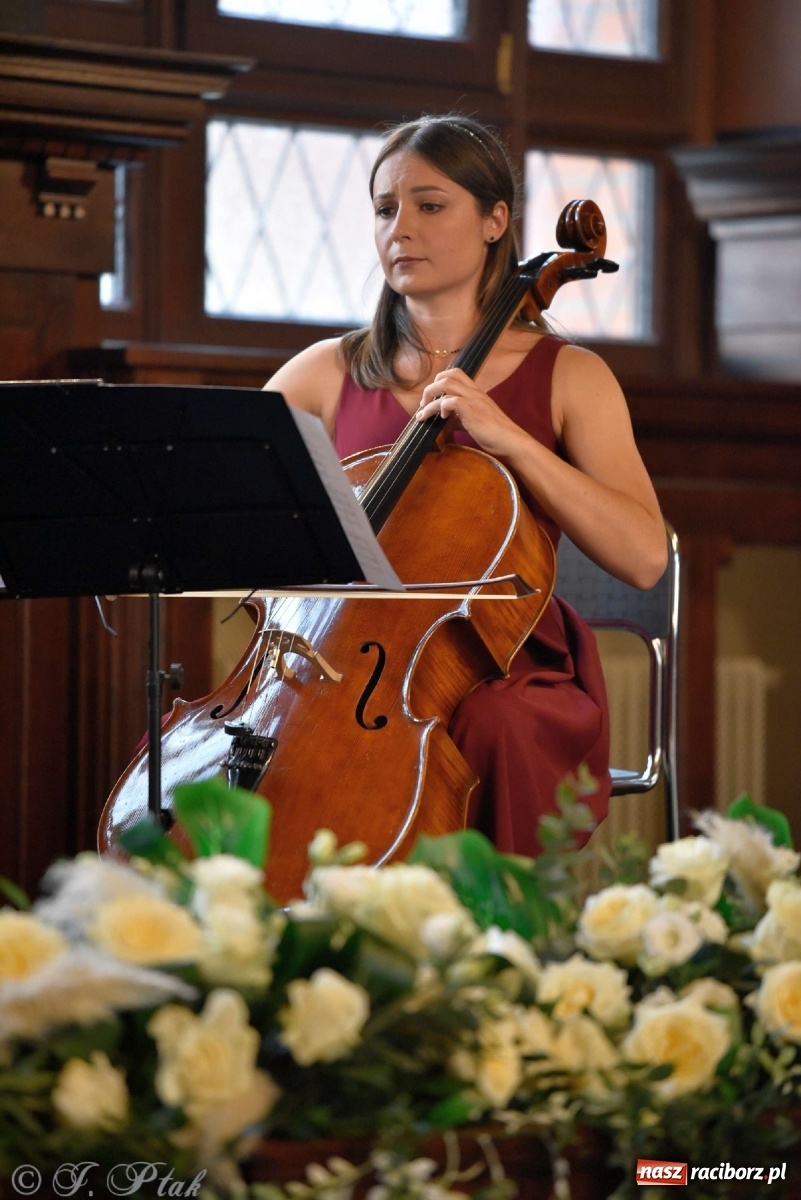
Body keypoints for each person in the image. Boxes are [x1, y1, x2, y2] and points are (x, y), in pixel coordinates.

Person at [264, 113, 667, 857]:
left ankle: (495, 927)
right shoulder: (323, 373)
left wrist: (509, 438)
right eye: (385, 209)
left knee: (492, 725)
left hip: (501, 664)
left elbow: (643, 558)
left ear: (494, 221)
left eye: (429, 205)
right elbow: (233, 516)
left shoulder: (571, 377)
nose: (400, 229)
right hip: (340, 666)